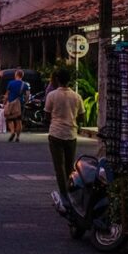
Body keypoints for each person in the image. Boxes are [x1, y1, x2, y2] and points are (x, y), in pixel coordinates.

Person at [44, 67, 85, 198]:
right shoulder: (77, 96)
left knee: (58, 166)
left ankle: (63, 193)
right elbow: (82, 117)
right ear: (70, 80)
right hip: (71, 134)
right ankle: (71, 189)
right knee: (69, 165)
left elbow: (46, 115)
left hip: (56, 133)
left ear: (57, 79)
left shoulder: (52, 95)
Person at [4, 69, 30, 142]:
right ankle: (18, 137)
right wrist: (25, 101)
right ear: (22, 76)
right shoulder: (25, 84)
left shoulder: (11, 83)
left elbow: (7, 94)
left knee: (9, 119)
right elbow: (27, 95)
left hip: (11, 103)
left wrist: (4, 102)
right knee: (18, 120)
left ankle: (12, 132)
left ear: (16, 75)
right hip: (20, 104)